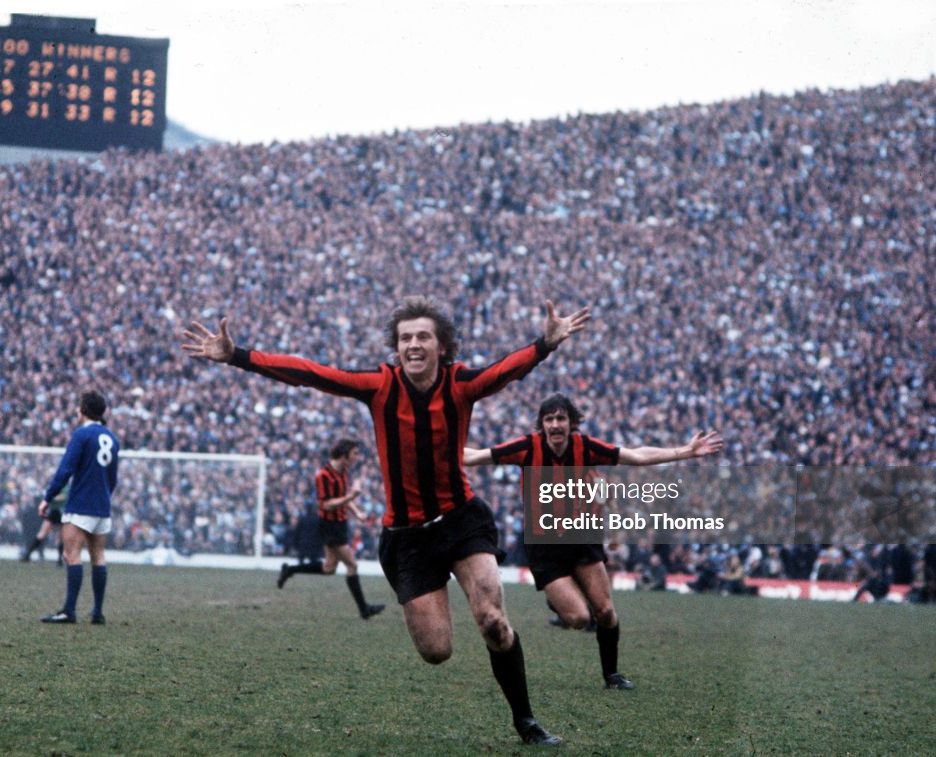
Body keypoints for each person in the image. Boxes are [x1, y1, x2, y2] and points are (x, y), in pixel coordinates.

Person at [183, 296, 589, 746]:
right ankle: (445, 601)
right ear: (396, 347)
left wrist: (544, 345)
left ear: (442, 346)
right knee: (436, 651)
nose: (413, 344)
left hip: (461, 520)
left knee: (493, 622)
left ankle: (526, 722)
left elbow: (503, 370)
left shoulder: (460, 384)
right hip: (407, 536)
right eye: (405, 338)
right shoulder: (379, 384)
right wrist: (237, 356)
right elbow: (311, 373)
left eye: (423, 337)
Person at [464, 393, 722, 691]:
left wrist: (686, 452)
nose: (555, 424)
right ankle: (559, 601)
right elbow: (474, 456)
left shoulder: (584, 448)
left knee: (606, 612)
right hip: (544, 546)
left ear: (571, 423)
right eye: (549, 419)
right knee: (578, 618)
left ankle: (611, 675)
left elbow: (635, 457)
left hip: (582, 538)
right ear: (542, 424)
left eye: (561, 418)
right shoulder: (527, 447)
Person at [277, 439, 386, 620]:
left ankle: (290, 570)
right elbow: (327, 505)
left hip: (340, 523)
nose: (356, 458)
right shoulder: (323, 476)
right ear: (344, 455)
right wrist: (351, 496)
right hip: (330, 527)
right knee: (352, 564)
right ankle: (364, 609)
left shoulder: (343, 472)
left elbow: (342, 497)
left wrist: (357, 512)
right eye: (354, 454)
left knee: (329, 568)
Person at [39, 390, 120, 625]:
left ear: (83, 410)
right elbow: (112, 479)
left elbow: (66, 470)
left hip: (81, 504)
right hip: (102, 506)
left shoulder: (82, 435)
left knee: (70, 554)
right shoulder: (112, 438)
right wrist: (104, 497)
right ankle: (97, 612)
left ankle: (69, 611)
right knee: (98, 556)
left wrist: (48, 497)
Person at [21, 494, 64, 565]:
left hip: (61, 511)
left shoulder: (66, 487)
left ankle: (60, 559)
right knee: (42, 534)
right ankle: (28, 554)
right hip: (54, 511)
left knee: (60, 537)